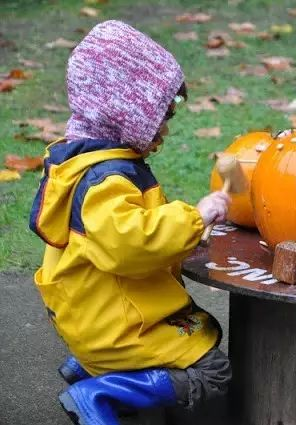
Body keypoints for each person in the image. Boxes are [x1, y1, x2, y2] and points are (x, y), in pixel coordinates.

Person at [29, 20, 232, 424]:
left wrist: (183, 239)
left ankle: (87, 366)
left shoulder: (82, 162)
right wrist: (196, 216)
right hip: (115, 328)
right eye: (162, 113)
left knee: (205, 335)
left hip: (96, 313)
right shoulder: (105, 179)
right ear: (127, 109)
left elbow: (124, 232)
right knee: (214, 373)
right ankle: (99, 392)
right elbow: (130, 244)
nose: (167, 127)